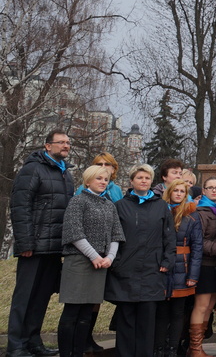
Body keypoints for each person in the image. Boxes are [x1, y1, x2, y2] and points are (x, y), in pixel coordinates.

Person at [7, 130, 75, 357]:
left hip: (54, 247)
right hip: (33, 247)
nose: (66, 146)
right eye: (61, 142)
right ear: (48, 146)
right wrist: (25, 242)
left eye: (68, 142)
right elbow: (20, 207)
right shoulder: (32, 169)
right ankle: (15, 345)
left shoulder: (67, 174)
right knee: (24, 298)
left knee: (41, 298)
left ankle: (33, 342)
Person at [106, 163, 175, 357]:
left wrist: (166, 261)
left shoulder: (161, 206)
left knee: (147, 321)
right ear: (131, 181)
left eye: (147, 178)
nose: (143, 181)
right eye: (139, 178)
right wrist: (116, 263)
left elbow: (169, 237)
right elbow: (112, 237)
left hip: (152, 271)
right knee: (126, 320)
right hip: (125, 271)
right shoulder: (120, 206)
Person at [58, 164, 125, 357]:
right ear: (88, 181)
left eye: (106, 179)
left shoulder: (109, 205)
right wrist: (94, 256)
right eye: (99, 178)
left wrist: (109, 257)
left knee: (86, 314)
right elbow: (74, 232)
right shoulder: (78, 201)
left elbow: (116, 235)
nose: (103, 182)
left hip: (100, 265)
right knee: (72, 313)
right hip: (79, 263)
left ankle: (79, 352)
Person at [155, 178, 204, 357]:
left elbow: (198, 247)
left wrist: (193, 275)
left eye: (182, 191)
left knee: (178, 312)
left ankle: (172, 350)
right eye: (175, 190)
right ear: (169, 192)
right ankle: (158, 349)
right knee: (161, 312)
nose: (178, 194)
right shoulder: (159, 210)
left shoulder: (192, 215)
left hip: (183, 268)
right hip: (162, 267)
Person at [190, 177, 216, 357]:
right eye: (210, 187)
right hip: (204, 265)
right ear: (203, 190)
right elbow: (198, 241)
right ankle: (194, 348)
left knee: (209, 307)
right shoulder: (200, 211)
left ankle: (198, 345)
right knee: (201, 306)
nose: (214, 191)